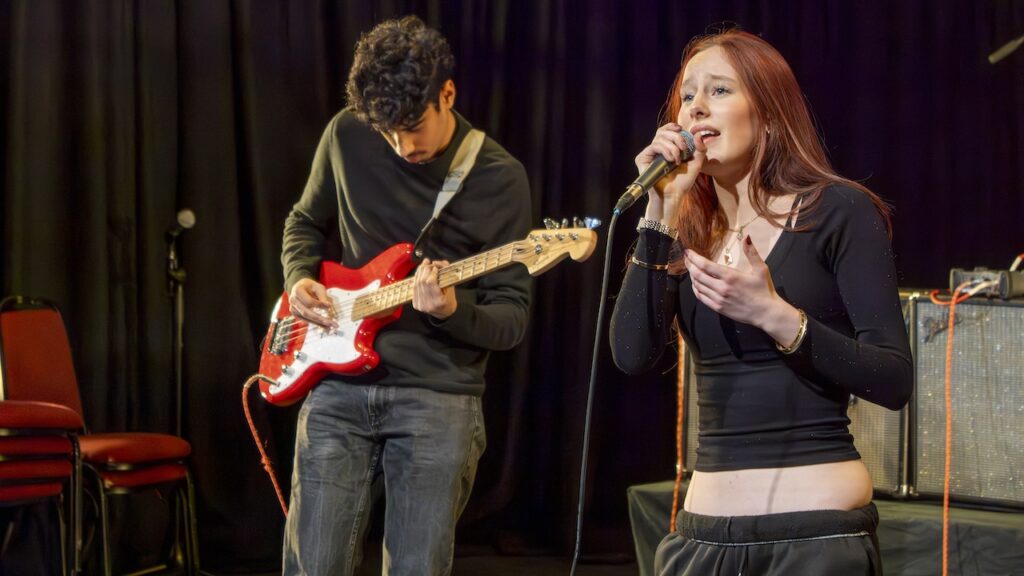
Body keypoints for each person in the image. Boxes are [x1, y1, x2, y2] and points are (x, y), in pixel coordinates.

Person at [610, 29, 913, 575]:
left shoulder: (838, 210)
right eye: (687, 95)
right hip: (701, 537)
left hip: (815, 535)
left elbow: (892, 380)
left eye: (720, 90)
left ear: (769, 113)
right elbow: (633, 355)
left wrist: (775, 315)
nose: (696, 107)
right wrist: (659, 210)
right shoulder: (684, 231)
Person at [279, 16, 531, 576]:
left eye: (413, 125)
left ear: (449, 93)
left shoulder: (498, 177)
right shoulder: (346, 133)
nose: (402, 145)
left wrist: (451, 310)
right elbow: (302, 222)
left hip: (437, 393)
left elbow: (511, 319)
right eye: (386, 130)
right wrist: (299, 278)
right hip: (336, 385)